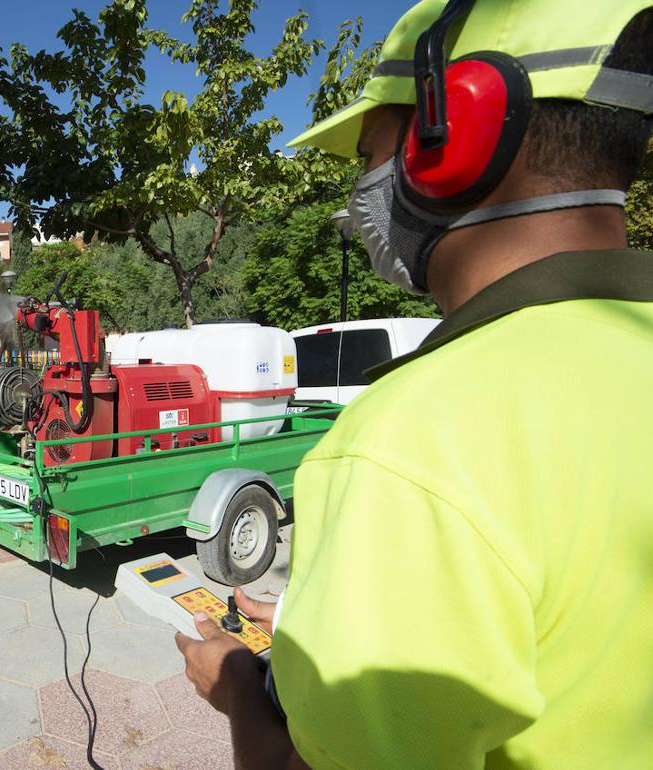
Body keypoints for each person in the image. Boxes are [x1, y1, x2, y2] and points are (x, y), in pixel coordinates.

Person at [175, 1, 653, 768]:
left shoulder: (415, 441)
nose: (362, 192)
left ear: (449, 140)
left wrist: (237, 688)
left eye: (368, 156)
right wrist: (318, 621)